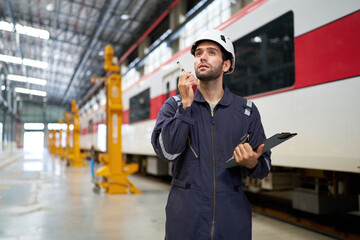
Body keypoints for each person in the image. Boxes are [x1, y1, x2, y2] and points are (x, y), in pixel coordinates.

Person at [151, 29, 271, 240]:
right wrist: (186, 107)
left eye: (211, 52)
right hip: (186, 219)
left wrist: (252, 163)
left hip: (233, 220)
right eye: (198, 53)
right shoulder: (174, 106)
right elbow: (166, 152)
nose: (202, 57)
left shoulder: (246, 110)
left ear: (226, 65)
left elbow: (264, 168)